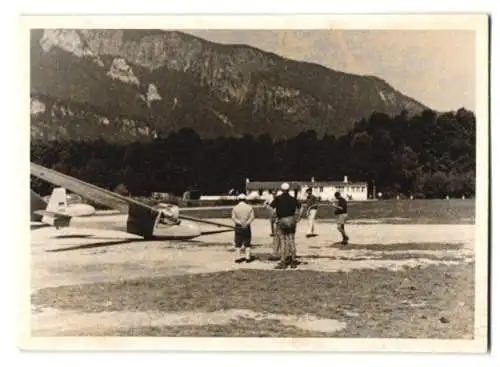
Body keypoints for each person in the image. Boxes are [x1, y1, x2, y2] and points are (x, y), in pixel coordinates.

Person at [270, 183, 302, 269]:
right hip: (291, 220)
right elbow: (300, 207)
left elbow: (271, 208)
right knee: (291, 240)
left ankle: (283, 261)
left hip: (282, 220)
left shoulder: (278, 198)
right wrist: (298, 217)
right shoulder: (293, 199)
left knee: (283, 240)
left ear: (281, 189)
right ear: (289, 190)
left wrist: (275, 216)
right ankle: (293, 260)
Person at [231, 194, 255, 263]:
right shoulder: (249, 207)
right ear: (245, 199)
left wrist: (240, 223)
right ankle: (247, 258)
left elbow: (233, 218)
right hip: (247, 226)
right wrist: (247, 223)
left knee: (238, 241)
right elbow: (252, 217)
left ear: (238, 199)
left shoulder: (235, 208)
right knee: (247, 241)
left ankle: (238, 258)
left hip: (238, 226)